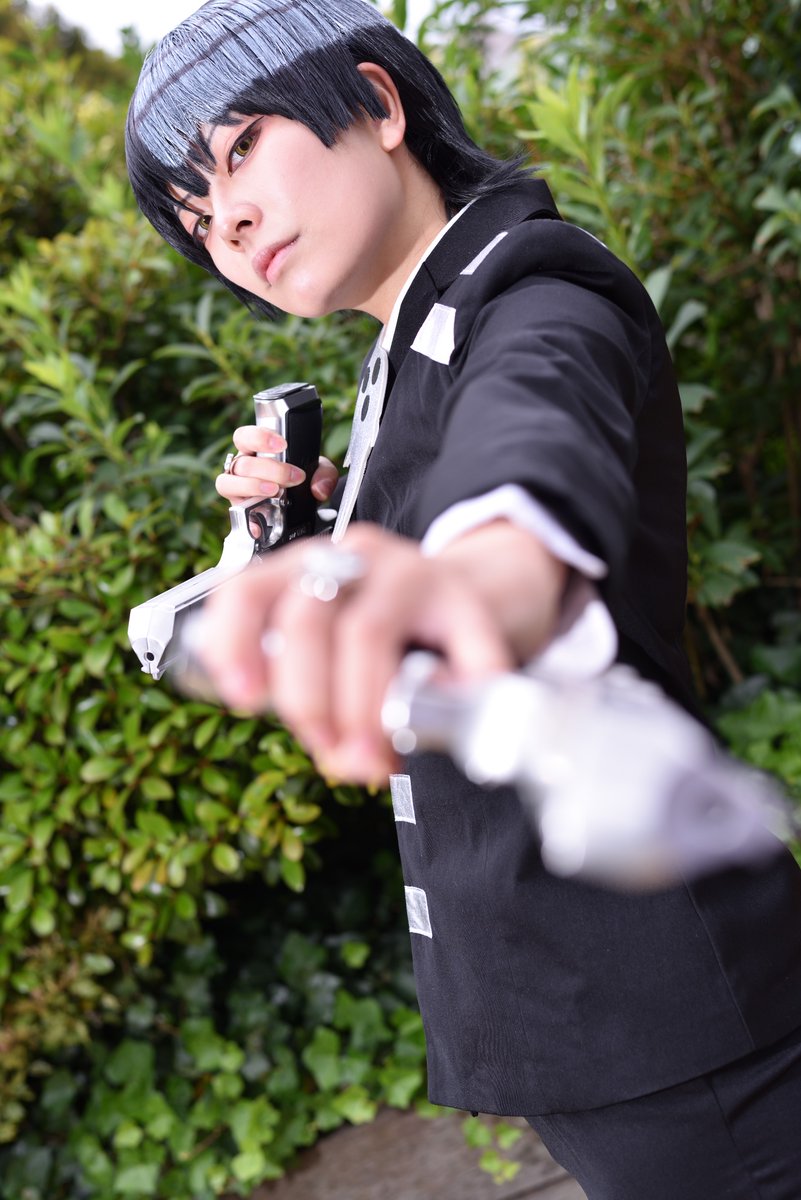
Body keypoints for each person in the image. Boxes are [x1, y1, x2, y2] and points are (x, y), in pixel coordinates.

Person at [125, 3, 801, 1196]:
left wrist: (475, 579)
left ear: (379, 103)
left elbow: (530, 439)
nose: (224, 220)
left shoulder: (532, 284)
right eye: (195, 217)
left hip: (672, 1024)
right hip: (590, 1015)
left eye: (240, 152)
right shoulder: (411, 337)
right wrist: (322, 536)